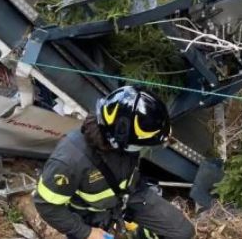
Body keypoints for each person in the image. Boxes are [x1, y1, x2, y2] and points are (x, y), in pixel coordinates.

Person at [34, 86, 195, 239]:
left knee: (182, 232)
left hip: (131, 194)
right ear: (118, 140)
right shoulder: (69, 161)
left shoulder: (125, 130)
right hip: (89, 216)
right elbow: (46, 205)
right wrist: (85, 232)